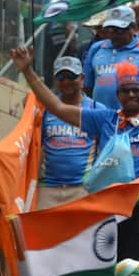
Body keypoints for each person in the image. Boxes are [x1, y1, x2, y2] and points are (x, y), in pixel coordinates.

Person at [13, 48, 139, 271]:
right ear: (117, 95)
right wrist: (28, 71)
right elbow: (57, 107)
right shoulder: (105, 119)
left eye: (138, 90)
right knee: (109, 271)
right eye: (126, 90)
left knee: (136, 270)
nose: (132, 95)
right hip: (110, 208)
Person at [37, 56, 97, 208]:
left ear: (82, 78)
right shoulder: (44, 109)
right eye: (60, 77)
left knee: (80, 233)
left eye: (71, 76)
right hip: (47, 188)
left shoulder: (96, 109)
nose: (66, 82)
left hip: (82, 189)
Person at [80, 5, 139, 110]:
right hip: (102, 118)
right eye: (111, 29)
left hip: (135, 119)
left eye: (120, 30)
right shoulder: (96, 48)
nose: (114, 34)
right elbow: (87, 86)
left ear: (134, 28)